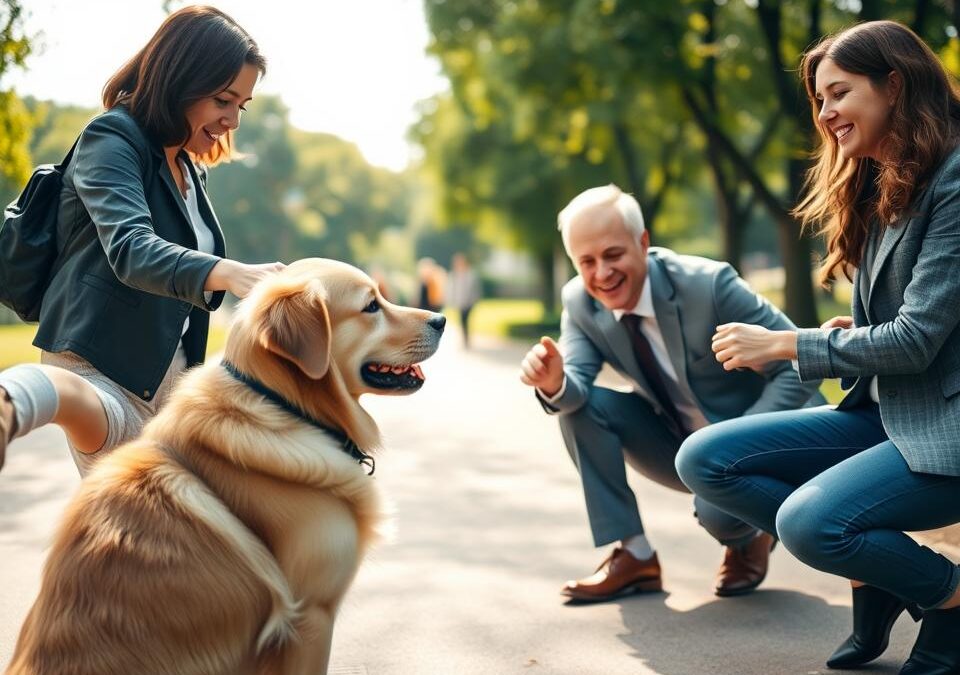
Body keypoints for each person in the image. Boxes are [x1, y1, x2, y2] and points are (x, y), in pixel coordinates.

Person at [675, 20, 960, 673]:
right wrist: (846, 334)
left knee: (809, 523)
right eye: (820, 100)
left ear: (894, 84)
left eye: (839, 93)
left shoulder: (954, 180)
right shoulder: (888, 177)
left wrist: (786, 345)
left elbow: (917, 340)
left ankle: (948, 596)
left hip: (944, 430)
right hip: (885, 415)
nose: (826, 113)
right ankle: (878, 577)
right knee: (706, 461)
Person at [0, 6, 282, 477]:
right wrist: (232, 273)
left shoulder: (191, 169)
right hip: (99, 367)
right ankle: (14, 399)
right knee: (143, 521)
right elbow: (131, 248)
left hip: (171, 388)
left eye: (241, 106)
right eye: (222, 100)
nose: (233, 119)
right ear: (181, 81)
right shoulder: (112, 137)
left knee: (164, 537)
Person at [519, 184, 823, 603]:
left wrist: (732, 444)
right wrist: (553, 383)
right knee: (584, 409)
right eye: (586, 262)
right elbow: (574, 394)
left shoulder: (711, 285)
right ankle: (635, 555)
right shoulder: (580, 303)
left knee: (717, 509)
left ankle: (746, 535)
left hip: (768, 438)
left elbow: (803, 363)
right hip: (678, 442)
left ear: (643, 242)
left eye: (613, 254)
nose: (601, 273)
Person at [446, 252, 482, 348]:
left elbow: (475, 289)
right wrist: (451, 300)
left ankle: (466, 339)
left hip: (469, 302)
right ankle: (464, 339)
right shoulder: (454, 275)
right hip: (460, 302)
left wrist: (474, 300)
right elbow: (451, 289)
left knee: (466, 319)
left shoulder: (471, 274)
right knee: (462, 320)